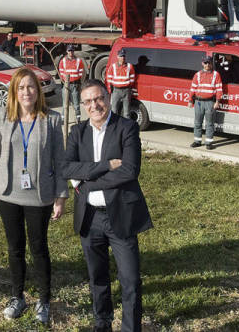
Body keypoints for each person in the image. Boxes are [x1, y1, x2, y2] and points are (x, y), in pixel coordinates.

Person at [59, 80, 152, 332]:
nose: (94, 105)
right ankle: (102, 323)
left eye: (98, 99)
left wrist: (87, 183)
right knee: (97, 277)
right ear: (82, 105)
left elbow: (130, 170)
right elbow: (67, 168)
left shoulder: (127, 127)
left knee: (130, 279)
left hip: (120, 214)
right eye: (88, 101)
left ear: (108, 98)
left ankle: (131, 328)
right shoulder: (77, 132)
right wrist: (105, 165)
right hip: (90, 218)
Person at [0, 67, 68, 324]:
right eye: (21, 88)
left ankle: (44, 300)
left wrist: (61, 195)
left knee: (39, 248)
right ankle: (17, 296)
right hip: (8, 193)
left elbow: (60, 161)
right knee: (14, 248)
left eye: (31, 86)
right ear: (14, 91)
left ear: (38, 90)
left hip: (39, 195)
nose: (26, 92)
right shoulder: (3, 116)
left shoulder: (51, 120)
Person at [188, 56, 222, 150]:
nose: (207, 65)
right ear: (202, 63)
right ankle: (197, 141)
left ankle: (209, 143)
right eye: (206, 63)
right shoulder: (197, 74)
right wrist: (190, 100)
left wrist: (217, 101)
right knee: (197, 122)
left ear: (212, 64)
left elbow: (219, 89)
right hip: (198, 102)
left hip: (210, 102)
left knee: (209, 123)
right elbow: (193, 88)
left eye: (209, 63)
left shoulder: (216, 74)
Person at [58, 45, 86, 122]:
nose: (71, 52)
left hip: (75, 85)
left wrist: (77, 81)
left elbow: (81, 72)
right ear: (67, 51)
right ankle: (63, 120)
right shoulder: (63, 61)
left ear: (74, 51)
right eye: (69, 51)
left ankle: (78, 119)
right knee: (65, 104)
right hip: (66, 85)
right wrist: (64, 81)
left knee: (76, 104)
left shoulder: (78, 61)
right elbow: (61, 72)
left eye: (72, 51)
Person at [106, 50, 135, 119]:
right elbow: (108, 78)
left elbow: (132, 78)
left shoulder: (129, 66)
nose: (122, 58)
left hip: (126, 91)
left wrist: (128, 86)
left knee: (127, 112)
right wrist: (110, 90)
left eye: (124, 56)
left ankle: (126, 128)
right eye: (121, 56)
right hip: (116, 91)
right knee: (114, 110)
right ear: (117, 57)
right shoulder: (113, 66)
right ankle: (114, 127)